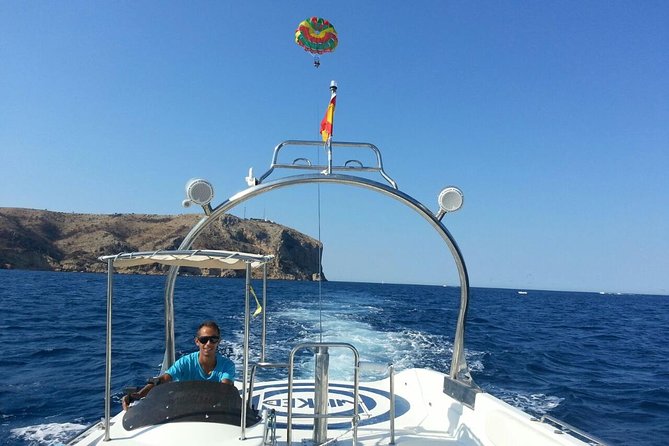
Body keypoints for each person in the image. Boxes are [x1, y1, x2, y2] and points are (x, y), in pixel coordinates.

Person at [122, 320, 235, 410]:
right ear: (197, 341)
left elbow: (224, 389)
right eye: (204, 340)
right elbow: (163, 379)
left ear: (219, 341)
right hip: (184, 411)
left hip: (215, 412)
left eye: (213, 339)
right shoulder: (185, 362)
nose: (208, 343)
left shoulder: (227, 365)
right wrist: (139, 394)